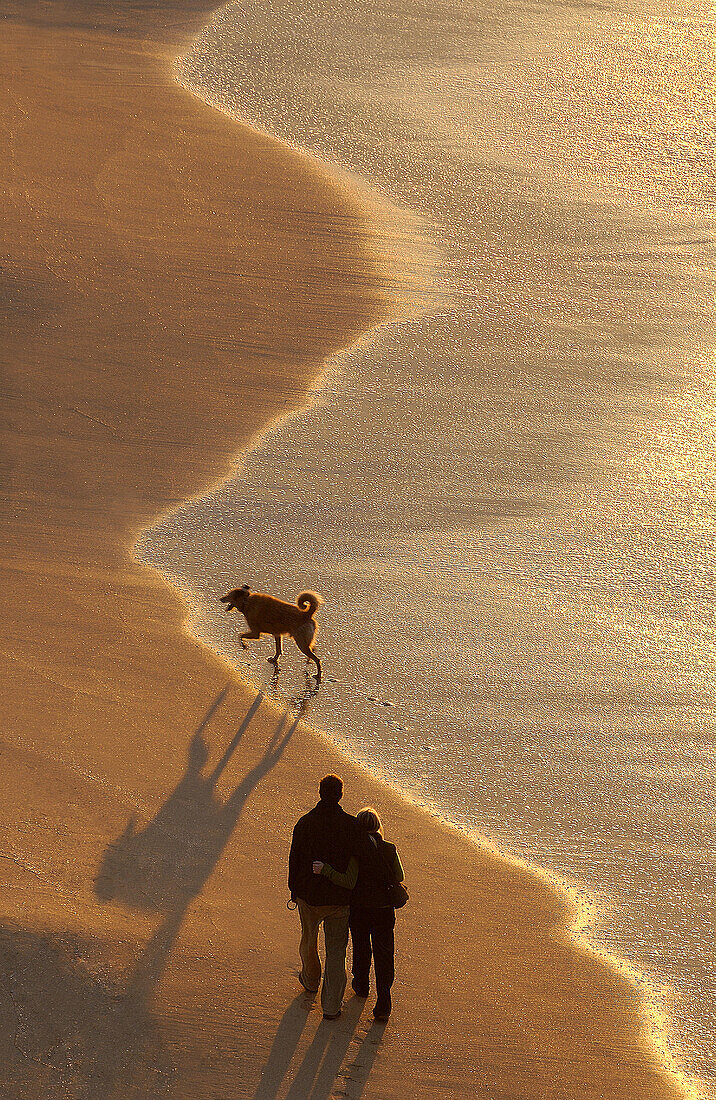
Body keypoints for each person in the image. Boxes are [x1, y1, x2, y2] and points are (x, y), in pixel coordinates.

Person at [288, 774, 371, 1020]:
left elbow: (294, 860)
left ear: (320, 792)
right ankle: (332, 1006)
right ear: (341, 794)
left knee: (308, 940)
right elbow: (361, 860)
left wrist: (294, 890)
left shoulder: (305, 823)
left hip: (309, 896)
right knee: (336, 952)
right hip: (340, 898)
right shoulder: (351, 825)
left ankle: (311, 980)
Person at [314, 806, 404, 1022]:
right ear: (377, 826)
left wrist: (325, 870)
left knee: (362, 948)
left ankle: (361, 984)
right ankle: (384, 1002)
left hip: (361, 909)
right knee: (384, 954)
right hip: (384, 911)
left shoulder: (355, 851)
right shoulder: (389, 849)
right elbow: (399, 875)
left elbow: (348, 881)